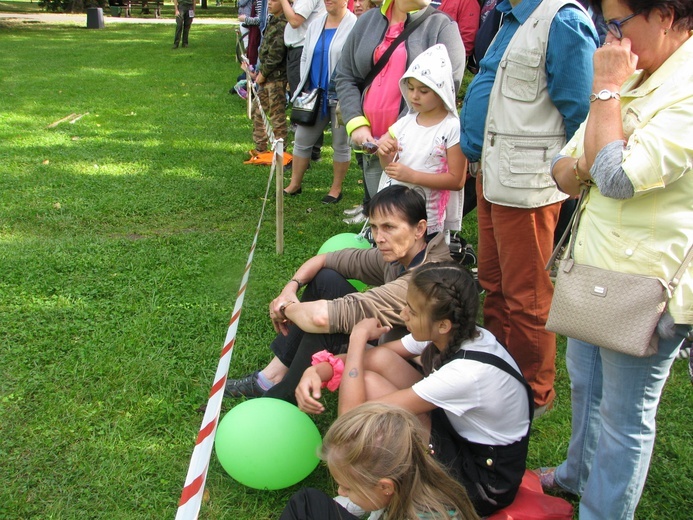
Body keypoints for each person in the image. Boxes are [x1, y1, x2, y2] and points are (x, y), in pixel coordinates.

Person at [536, 1, 693, 518]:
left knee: (625, 417)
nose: (610, 38)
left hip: (646, 289)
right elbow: (563, 172)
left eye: (619, 23)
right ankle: (575, 475)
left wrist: (605, 93)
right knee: (586, 383)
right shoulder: (637, 75)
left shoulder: (683, 87)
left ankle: (601, 512)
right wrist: (598, 152)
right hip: (593, 272)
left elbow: (619, 179)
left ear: (667, 15)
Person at [297, 262, 532, 516]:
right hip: (462, 436)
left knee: (373, 414)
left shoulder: (466, 375)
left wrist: (357, 338)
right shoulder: (455, 333)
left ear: (442, 324)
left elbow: (350, 419)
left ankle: (377, 494)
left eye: (412, 310)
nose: (403, 314)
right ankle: (376, 489)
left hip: (483, 481)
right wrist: (321, 370)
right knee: (379, 366)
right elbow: (377, 357)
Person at [459, 0, 598, 415]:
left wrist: (569, 177)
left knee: (528, 296)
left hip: (527, 184)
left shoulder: (564, 21)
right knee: (494, 282)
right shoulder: (503, 15)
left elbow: (582, 114)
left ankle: (535, 392)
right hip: (491, 173)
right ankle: (500, 369)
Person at [224, 185, 452, 401]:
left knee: (326, 327)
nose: (379, 238)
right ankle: (270, 377)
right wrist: (290, 287)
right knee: (326, 279)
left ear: (419, 229)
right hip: (390, 345)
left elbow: (322, 317)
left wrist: (284, 308)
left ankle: (281, 398)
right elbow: (325, 259)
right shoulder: (403, 254)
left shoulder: (423, 281)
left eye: (389, 227)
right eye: (374, 227)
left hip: (417, 373)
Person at [334, 0, 465, 216]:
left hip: (411, 149)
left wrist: (397, 132)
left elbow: (446, 87)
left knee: (406, 223)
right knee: (381, 217)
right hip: (369, 141)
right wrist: (356, 124)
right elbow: (345, 75)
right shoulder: (368, 20)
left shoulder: (442, 26)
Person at [280, 403, 481, 520]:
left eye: (348, 488)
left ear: (385, 487)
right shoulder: (412, 478)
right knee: (307, 502)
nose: (341, 492)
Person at [376, 44, 466, 237]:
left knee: (423, 263)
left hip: (427, 219)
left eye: (424, 91)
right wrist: (385, 154)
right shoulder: (404, 123)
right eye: (410, 88)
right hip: (395, 214)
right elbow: (390, 169)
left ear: (441, 91)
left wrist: (412, 176)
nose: (414, 96)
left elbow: (457, 180)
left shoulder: (452, 128)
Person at [283, 0, 357, 202]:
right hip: (314, 94)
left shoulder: (355, 25)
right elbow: (305, 56)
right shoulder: (316, 23)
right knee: (301, 140)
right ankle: (295, 184)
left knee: (340, 144)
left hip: (341, 96)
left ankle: (335, 189)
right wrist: (306, 86)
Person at [281, 0, 327, 162]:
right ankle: (308, 148)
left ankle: (308, 150)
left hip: (302, 49)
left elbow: (295, 21)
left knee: (305, 99)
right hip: (300, 48)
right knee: (304, 98)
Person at [247, 0, 289, 156]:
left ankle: (280, 153)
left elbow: (276, 54)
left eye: (274, 0)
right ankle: (260, 148)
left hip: (276, 78)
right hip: (265, 76)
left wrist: (263, 74)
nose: (269, 3)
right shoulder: (272, 19)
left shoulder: (284, 23)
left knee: (277, 116)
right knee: (259, 112)